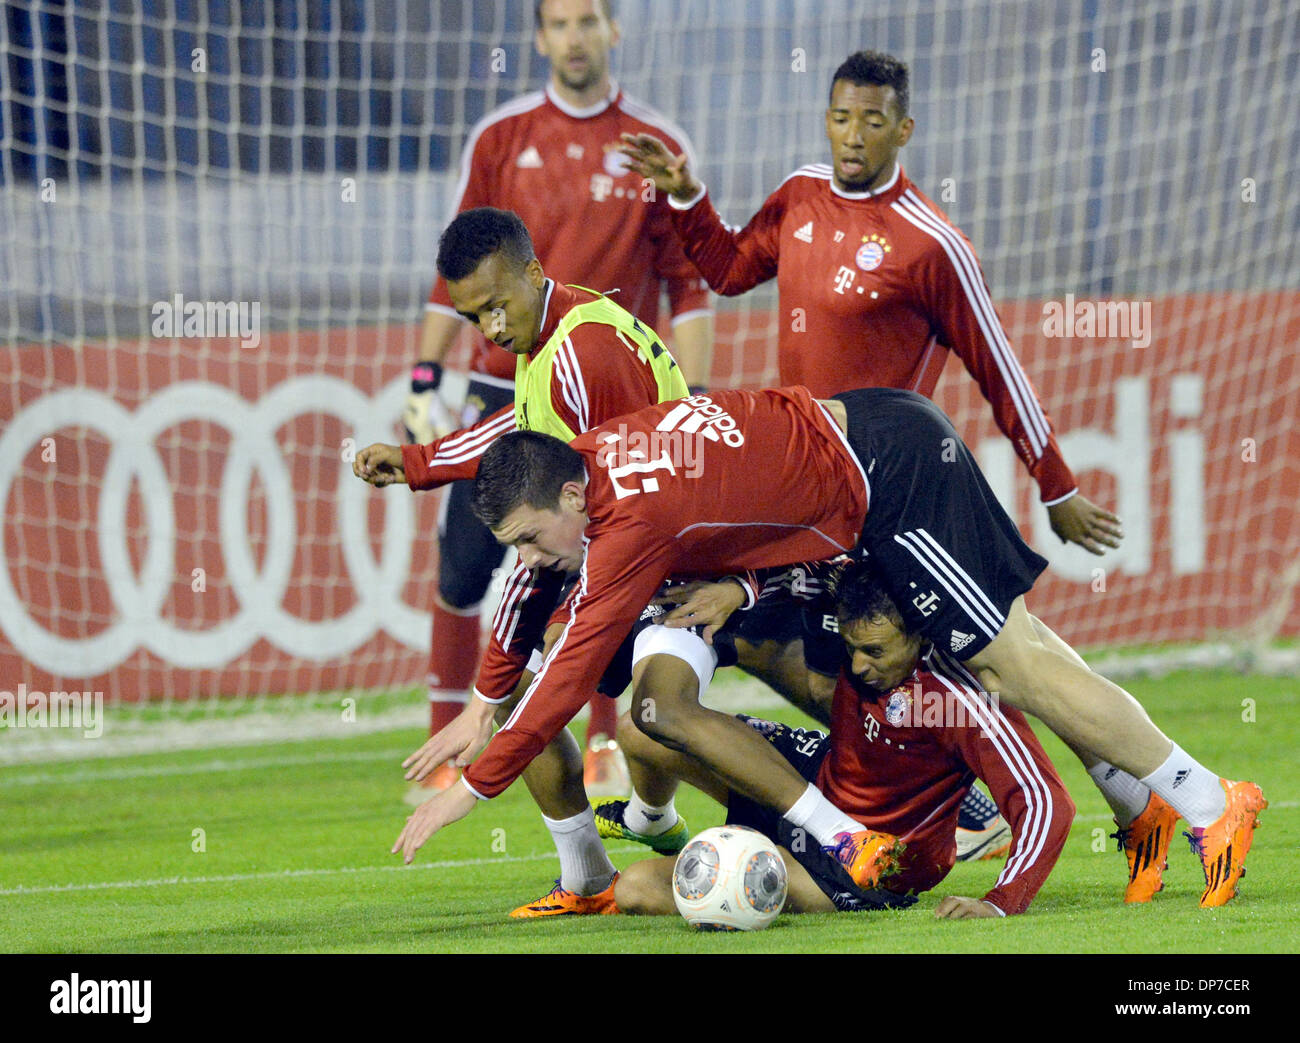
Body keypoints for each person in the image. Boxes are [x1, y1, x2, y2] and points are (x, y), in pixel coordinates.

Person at [390, 385, 1266, 910]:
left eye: (536, 541)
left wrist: (475, 783)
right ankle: (1139, 798)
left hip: (893, 478)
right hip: (865, 465)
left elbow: (574, 670)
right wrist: (741, 586)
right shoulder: (589, 459)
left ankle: (1209, 799)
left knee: (1010, 661)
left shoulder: (625, 526)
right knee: (1016, 648)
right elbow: (741, 492)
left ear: (574, 500)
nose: (537, 563)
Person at [405, 0, 713, 799]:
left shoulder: (653, 139)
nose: (574, 37)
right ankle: (447, 746)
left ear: (611, 30)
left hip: (611, 403)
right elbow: (453, 276)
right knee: (470, 570)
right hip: (501, 391)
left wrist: (697, 394)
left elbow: (687, 283)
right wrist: (426, 377)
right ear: (539, 39)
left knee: (606, 556)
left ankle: (608, 743)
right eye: (558, 25)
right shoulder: (502, 138)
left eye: (587, 22)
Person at [619, 49, 1120, 557]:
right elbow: (728, 272)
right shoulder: (800, 194)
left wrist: (1058, 487)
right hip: (800, 465)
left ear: (903, 131)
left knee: (883, 632)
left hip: (886, 477)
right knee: (771, 635)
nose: (853, 136)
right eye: (841, 118)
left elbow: (1001, 372)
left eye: (872, 121)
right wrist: (687, 196)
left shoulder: (933, 247)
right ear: (827, 121)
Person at [357, 206, 714, 917]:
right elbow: (519, 432)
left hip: (682, 571)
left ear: (533, 272)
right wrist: (418, 462)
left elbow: (564, 530)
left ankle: (816, 828)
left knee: (629, 706)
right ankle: (596, 867)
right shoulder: (551, 342)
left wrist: (482, 705)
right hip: (645, 556)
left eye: (496, 305)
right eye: (473, 317)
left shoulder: (584, 355)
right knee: (544, 682)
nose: (489, 328)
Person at [611, 560, 1075, 918]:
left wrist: (1001, 901)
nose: (856, 667)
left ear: (920, 635)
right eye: (851, 649)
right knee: (644, 727)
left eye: (874, 651)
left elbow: (1045, 799)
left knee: (636, 889)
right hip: (821, 779)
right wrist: (735, 591)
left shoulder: (958, 697)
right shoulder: (857, 611)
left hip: (871, 866)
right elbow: (793, 575)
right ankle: (653, 821)